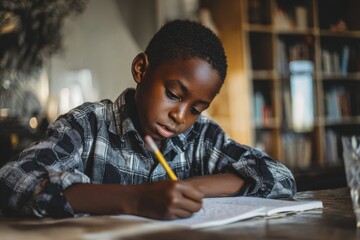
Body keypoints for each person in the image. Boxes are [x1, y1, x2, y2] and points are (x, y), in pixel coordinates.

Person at [0, 20, 296, 219]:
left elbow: (280, 177)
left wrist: (194, 188)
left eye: (196, 108)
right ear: (141, 69)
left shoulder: (202, 137)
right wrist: (135, 199)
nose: (180, 116)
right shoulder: (87, 125)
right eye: (174, 94)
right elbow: (13, 180)